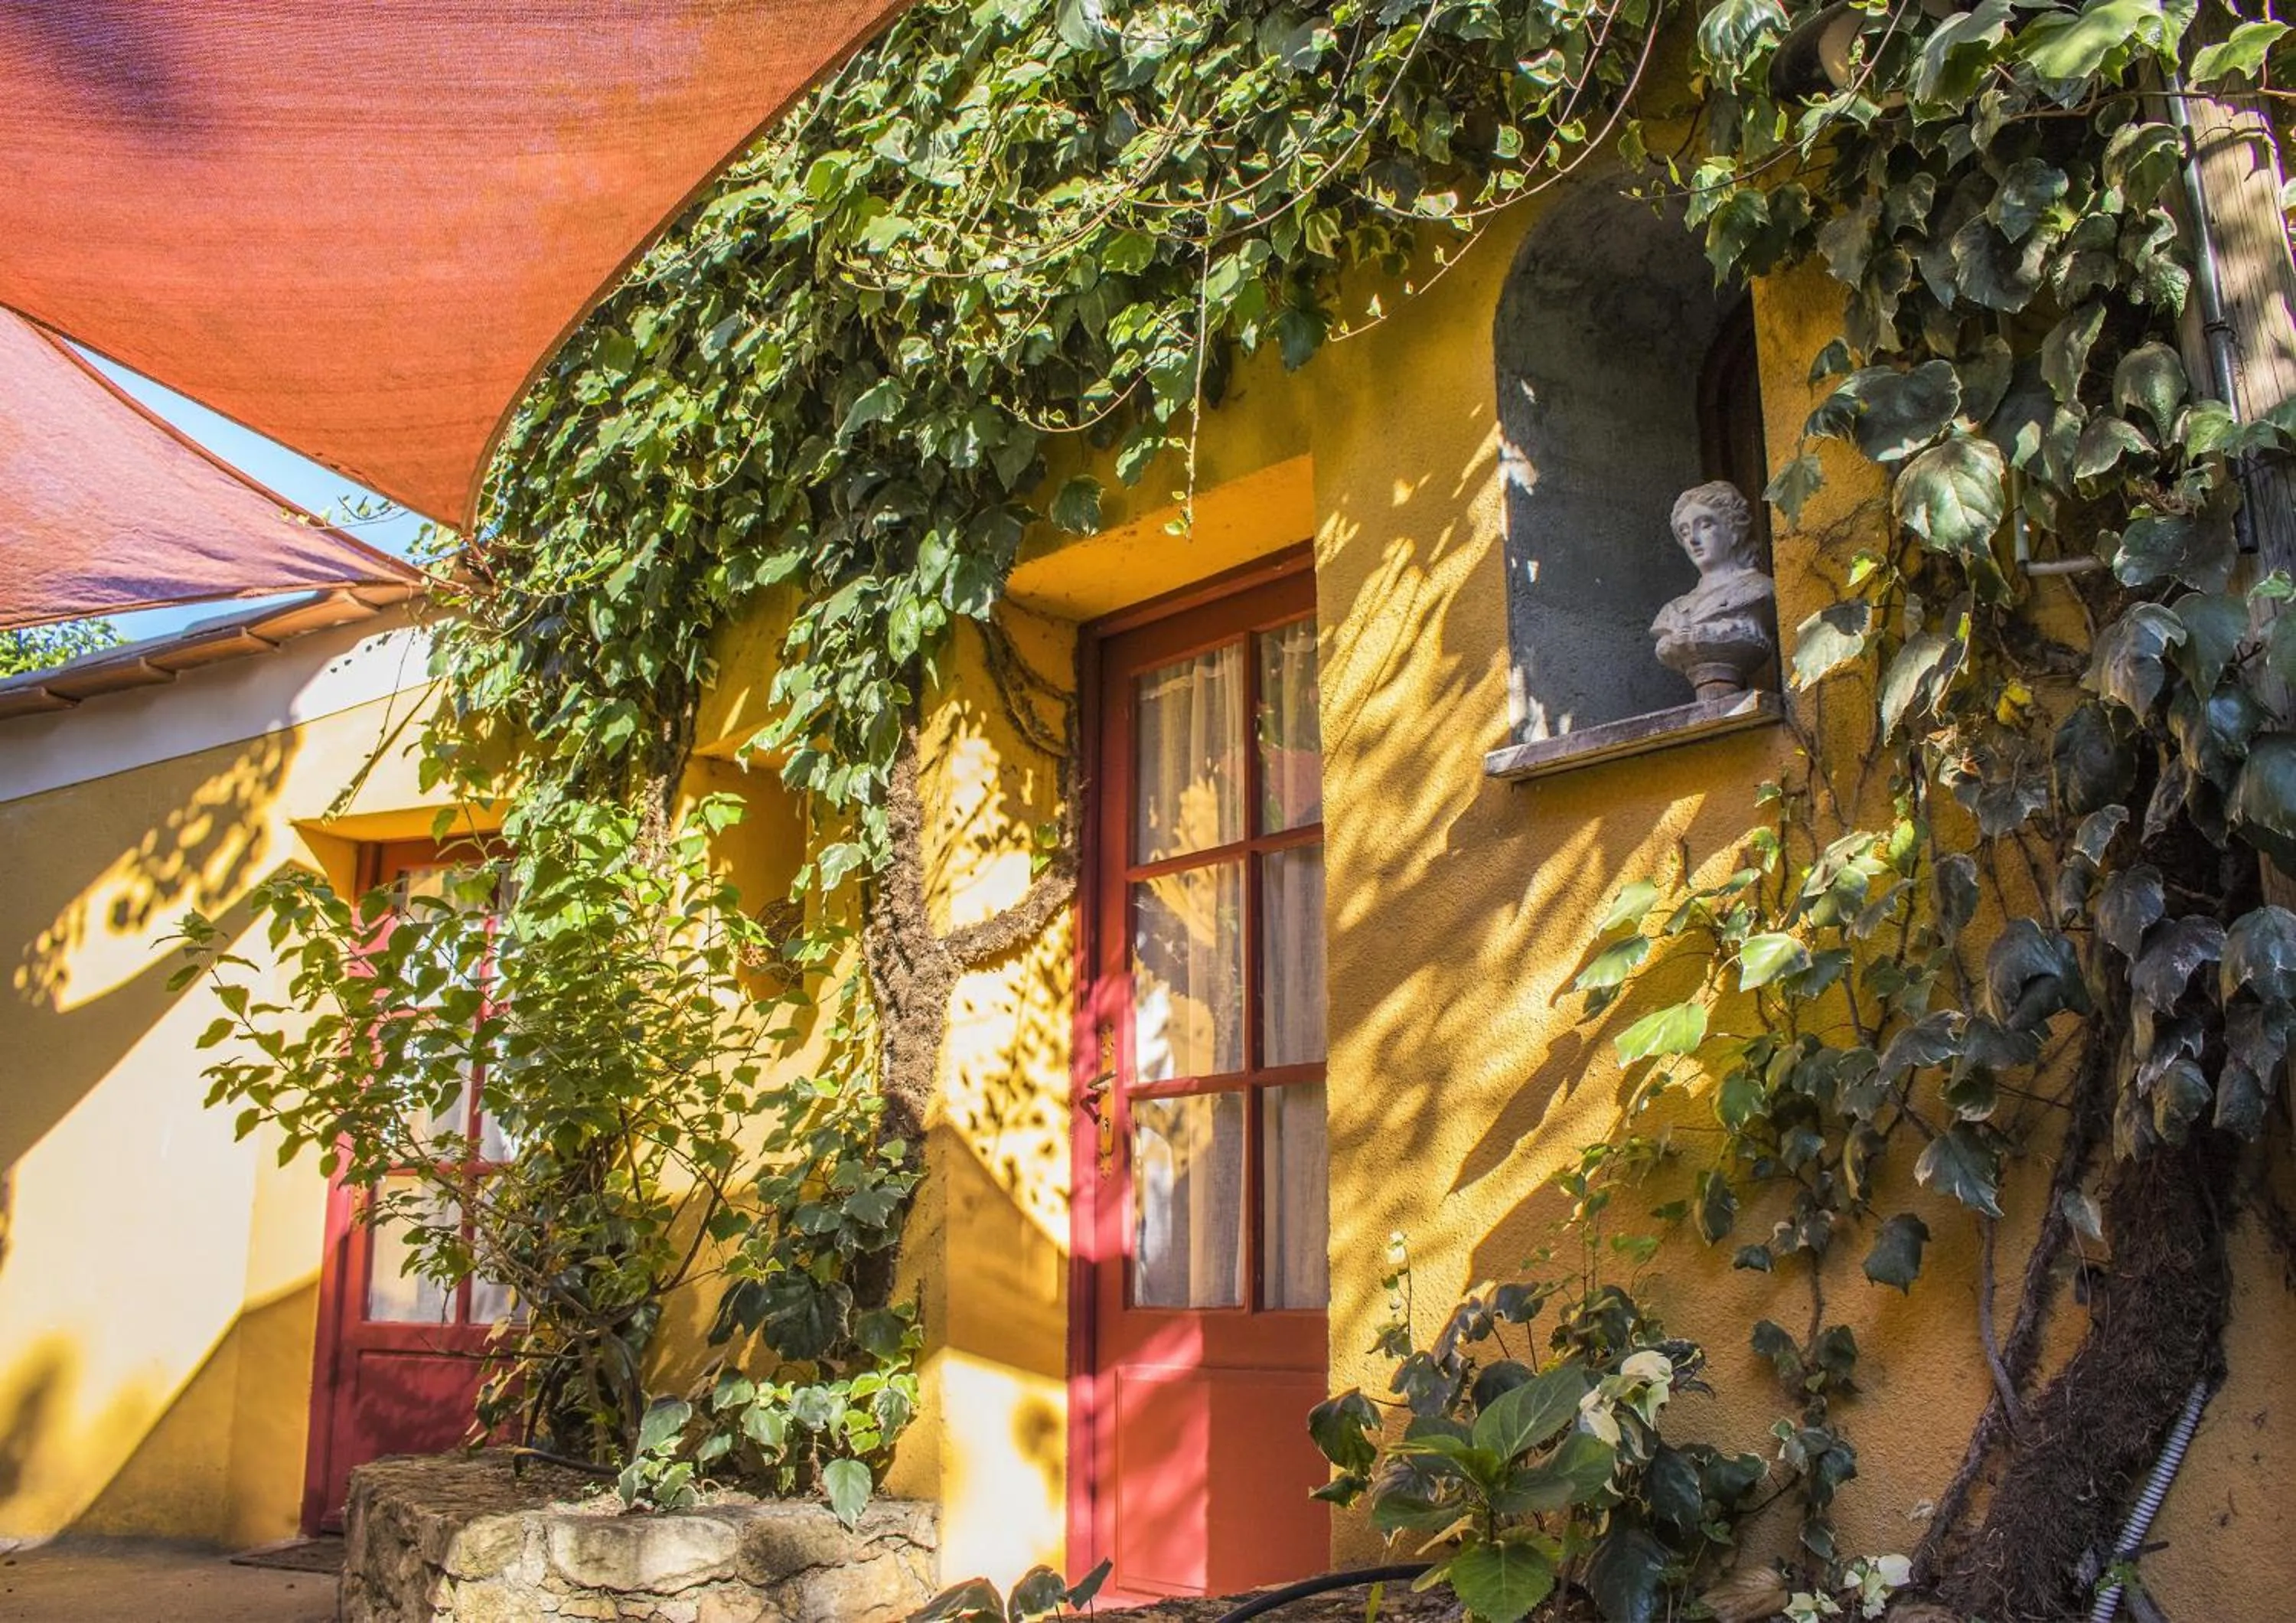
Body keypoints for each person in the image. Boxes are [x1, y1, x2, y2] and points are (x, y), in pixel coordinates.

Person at [1649, 480, 1775, 700]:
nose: (1693, 540)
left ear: (1734, 530)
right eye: (1685, 531)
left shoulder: (1759, 590)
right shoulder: (1673, 611)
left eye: (1705, 525)